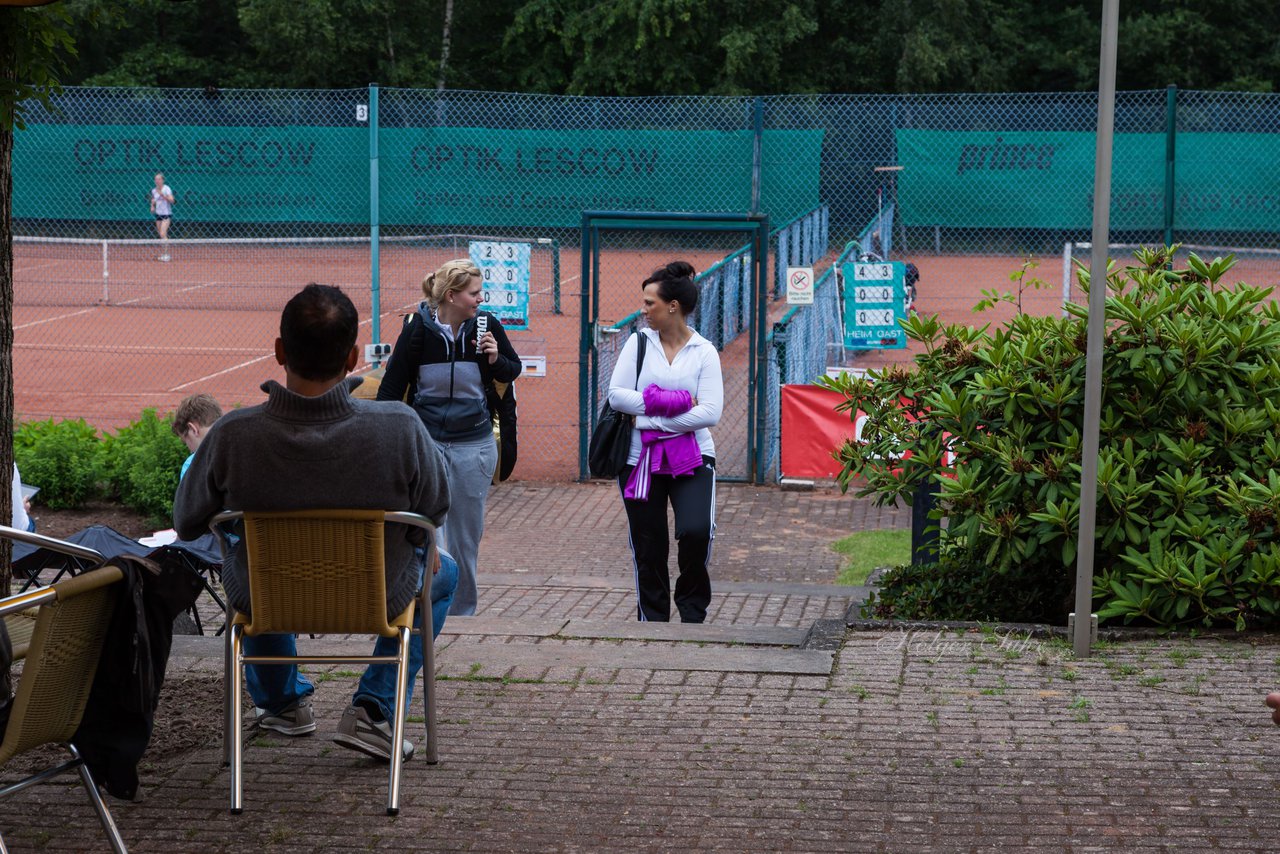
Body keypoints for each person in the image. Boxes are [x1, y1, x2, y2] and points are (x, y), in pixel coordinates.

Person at [173, 283, 456, 762]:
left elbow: (187, 521)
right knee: (444, 573)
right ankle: (374, 711)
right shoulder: (400, 427)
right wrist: (419, 543)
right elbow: (435, 505)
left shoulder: (231, 435)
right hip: (377, 592)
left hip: (266, 597)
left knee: (250, 563)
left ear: (280, 351)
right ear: (352, 359)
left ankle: (282, 705)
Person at [377, 259, 521, 617]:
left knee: (465, 537)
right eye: (474, 293)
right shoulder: (417, 331)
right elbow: (391, 390)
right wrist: (390, 441)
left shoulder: (487, 326)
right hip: (427, 444)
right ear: (453, 295)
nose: (479, 299)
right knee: (430, 531)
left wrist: (495, 358)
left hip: (474, 444)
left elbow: (512, 370)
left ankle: (463, 614)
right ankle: (430, 609)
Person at [607, 261, 723, 623]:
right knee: (649, 545)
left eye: (649, 304)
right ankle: (653, 620)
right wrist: (673, 405)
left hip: (694, 457)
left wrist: (649, 418)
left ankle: (692, 612)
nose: (643, 311)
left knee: (695, 531)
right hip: (638, 459)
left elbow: (710, 413)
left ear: (673, 306)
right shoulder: (637, 343)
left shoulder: (705, 351)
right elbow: (616, 396)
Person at [171, 393, 222, 480]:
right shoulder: (243, 448)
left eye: (186, 442)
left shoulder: (192, 464)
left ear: (193, 429)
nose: (190, 451)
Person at [148, 172, 175, 262]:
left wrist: (162, 195)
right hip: (158, 214)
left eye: (159, 179)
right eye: (156, 179)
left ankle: (167, 255)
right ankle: (164, 253)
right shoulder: (154, 190)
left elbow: (172, 200)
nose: (157, 181)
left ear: (163, 180)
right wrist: (152, 206)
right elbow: (153, 200)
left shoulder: (166, 188)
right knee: (161, 234)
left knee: (163, 233)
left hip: (166, 214)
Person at [11, 463, 34, 532]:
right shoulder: (7, 461)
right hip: (16, 534)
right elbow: (16, 524)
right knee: (28, 523)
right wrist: (21, 508)